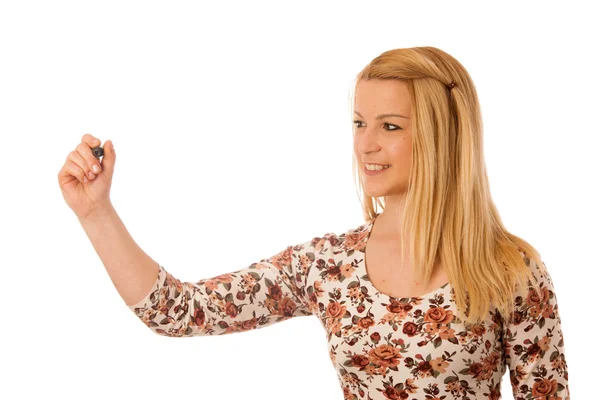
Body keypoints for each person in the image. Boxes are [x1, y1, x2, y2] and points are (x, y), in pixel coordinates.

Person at [57, 46, 570, 399]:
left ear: (442, 136)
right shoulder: (329, 265)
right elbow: (179, 311)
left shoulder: (509, 270)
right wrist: (96, 212)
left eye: (389, 126)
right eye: (359, 122)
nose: (365, 143)